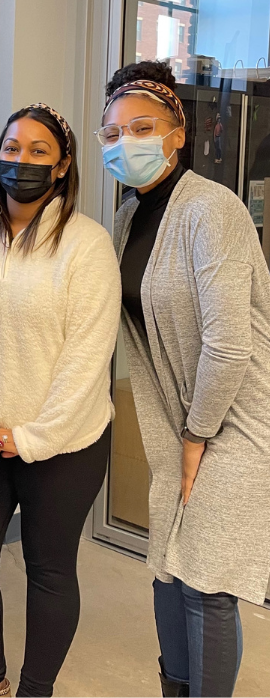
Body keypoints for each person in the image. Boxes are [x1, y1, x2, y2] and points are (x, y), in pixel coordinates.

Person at [0, 104, 121, 698]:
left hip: (65, 444)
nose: (22, 160)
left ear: (61, 166)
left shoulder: (88, 244)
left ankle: (36, 690)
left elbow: (88, 355)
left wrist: (33, 437)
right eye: (12, 148)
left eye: (39, 151)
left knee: (50, 570)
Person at [101, 61, 270, 697]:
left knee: (207, 582)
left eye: (142, 128)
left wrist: (197, 434)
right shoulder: (127, 218)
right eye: (112, 133)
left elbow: (228, 344)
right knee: (168, 567)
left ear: (177, 134)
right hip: (182, 417)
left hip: (235, 417)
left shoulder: (212, 209)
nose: (125, 143)